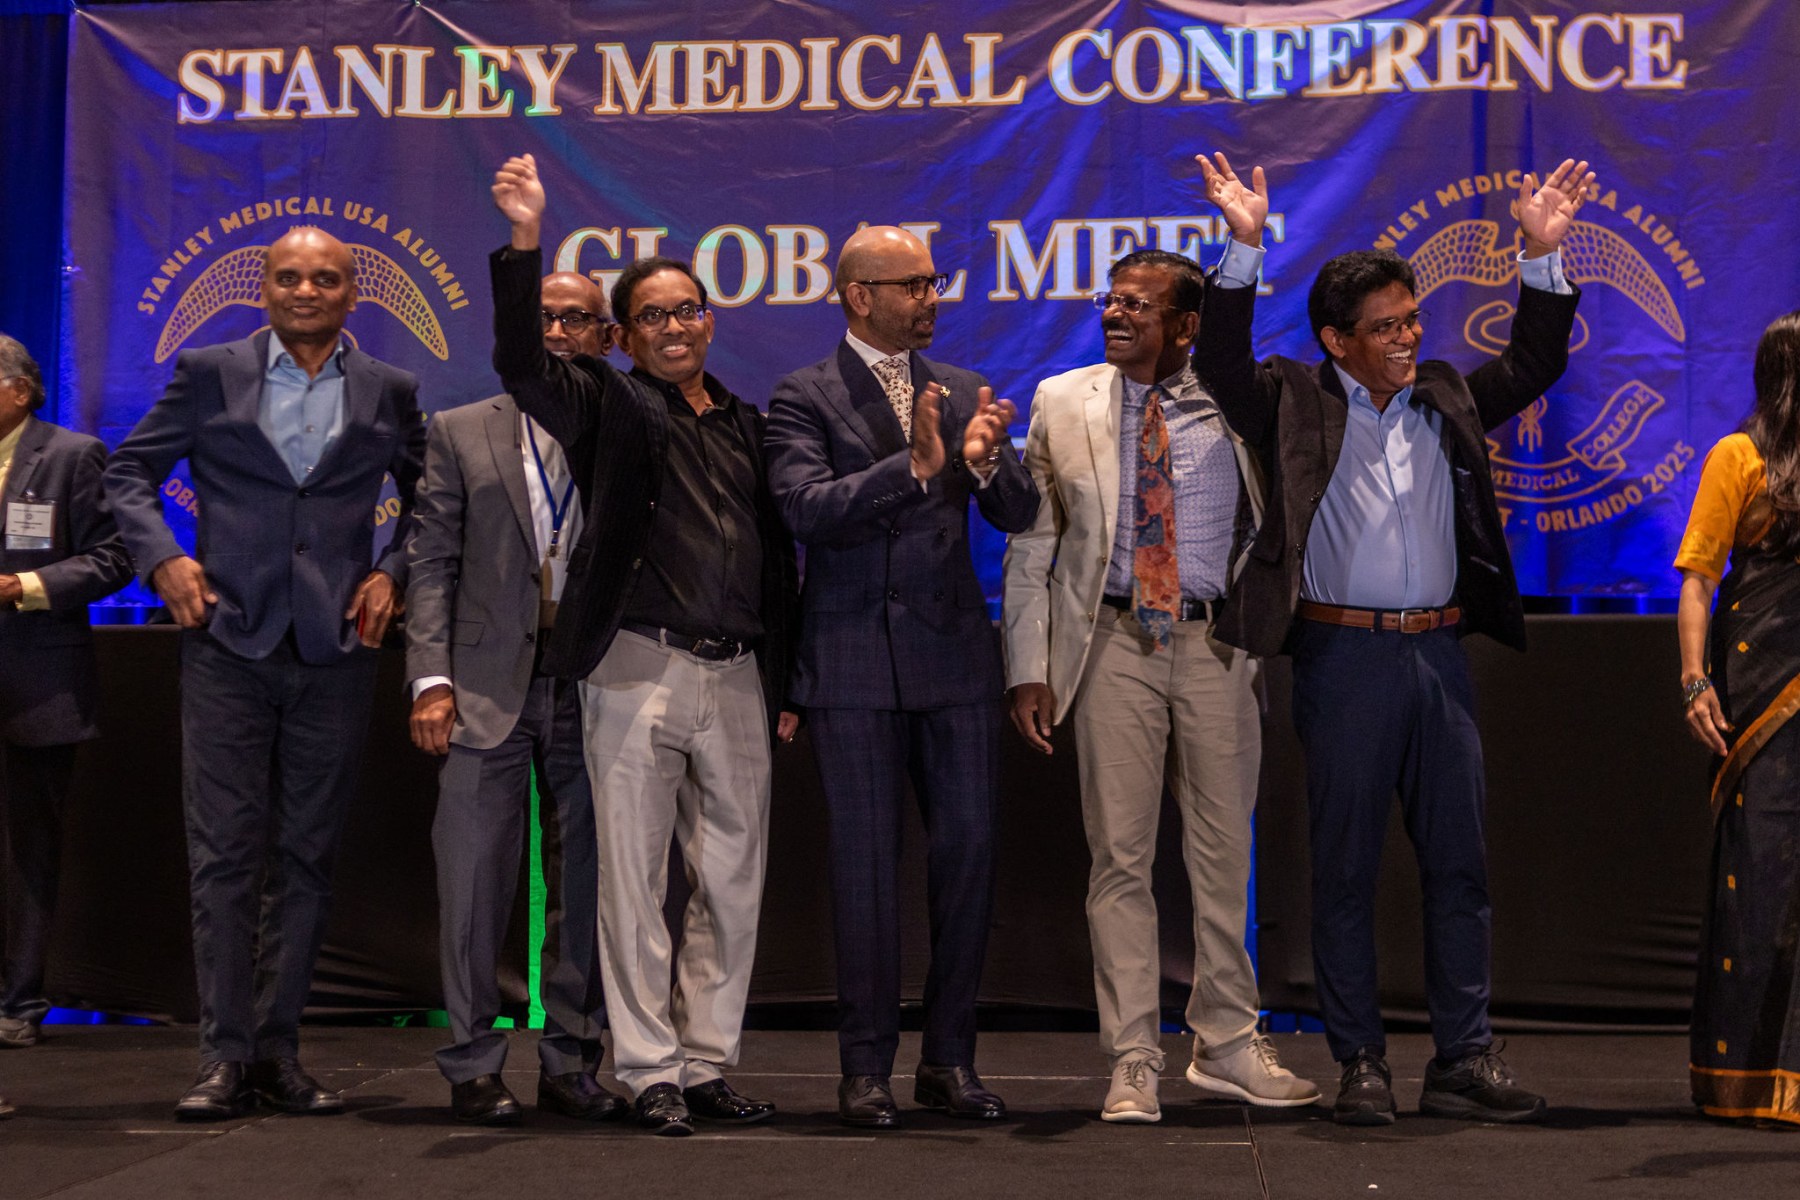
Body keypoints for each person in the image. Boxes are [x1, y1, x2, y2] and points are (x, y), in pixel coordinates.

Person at [1192, 152, 1590, 1125]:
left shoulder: (1445, 394)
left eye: (1412, 319)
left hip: (1439, 659)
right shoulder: (1292, 399)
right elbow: (1218, 365)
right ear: (1337, 339)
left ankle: (1462, 1059)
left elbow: (1536, 362)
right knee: (1345, 869)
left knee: (1460, 865)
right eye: (1386, 327)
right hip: (1345, 662)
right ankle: (1360, 1061)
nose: (1408, 337)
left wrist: (1542, 257)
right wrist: (1243, 248)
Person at [488, 154, 799, 1138]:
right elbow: (522, 366)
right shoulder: (608, 406)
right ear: (623, 337)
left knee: (732, 882)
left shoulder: (747, 422)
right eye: (652, 316)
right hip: (635, 665)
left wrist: (786, 682)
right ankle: (649, 1071)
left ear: (710, 320)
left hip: (739, 672)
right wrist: (526, 239)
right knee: (632, 882)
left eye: (687, 311)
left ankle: (705, 1065)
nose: (673, 327)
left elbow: (778, 563)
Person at [104, 227, 425, 1120]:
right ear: (264, 287)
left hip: (335, 651)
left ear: (354, 292)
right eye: (288, 277)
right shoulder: (208, 372)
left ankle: (279, 1052)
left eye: (324, 278)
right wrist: (163, 558)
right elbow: (127, 472)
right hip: (226, 644)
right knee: (224, 857)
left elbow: (433, 497)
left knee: (307, 858)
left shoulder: (390, 388)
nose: (305, 291)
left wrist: (393, 572)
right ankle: (222, 1056)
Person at [1000, 252, 1317, 1122]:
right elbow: (1033, 544)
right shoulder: (1064, 399)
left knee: (1224, 854)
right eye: (1111, 300)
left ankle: (1227, 1041)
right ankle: (1134, 1057)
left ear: (1187, 326)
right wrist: (1028, 666)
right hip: (1111, 643)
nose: (1116, 314)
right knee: (1120, 857)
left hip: (1217, 643)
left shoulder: (1239, 400)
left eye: (1139, 305)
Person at [766, 226, 1038, 1129]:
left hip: (954, 661)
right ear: (859, 296)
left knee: (968, 862)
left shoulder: (960, 387)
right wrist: (912, 469)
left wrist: (987, 463)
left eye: (933, 282)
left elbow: (1020, 511)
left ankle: (949, 1060)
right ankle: (866, 1067)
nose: (931, 298)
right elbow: (804, 510)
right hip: (851, 665)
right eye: (913, 285)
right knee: (865, 873)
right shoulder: (802, 394)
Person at [405, 273, 625, 1125]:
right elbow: (432, 563)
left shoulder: (625, 427)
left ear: (607, 338)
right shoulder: (459, 430)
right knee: (474, 884)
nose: (559, 332)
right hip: (483, 685)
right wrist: (431, 679)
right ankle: (472, 1064)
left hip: (594, 681)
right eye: (544, 319)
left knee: (588, 886)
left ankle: (572, 1062)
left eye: (578, 319)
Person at [1676, 308, 1800, 1127]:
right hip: (1766, 688)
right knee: (1765, 876)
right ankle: (1750, 1074)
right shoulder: (1739, 458)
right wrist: (1695, 682)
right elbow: (1698, 579)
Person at [0, 334, 132, 1051]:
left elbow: (116, 557)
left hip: (35, 680)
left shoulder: (73, 456)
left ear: (18, 391)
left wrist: (24, 585)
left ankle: (18, 1001)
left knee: (26, 850)